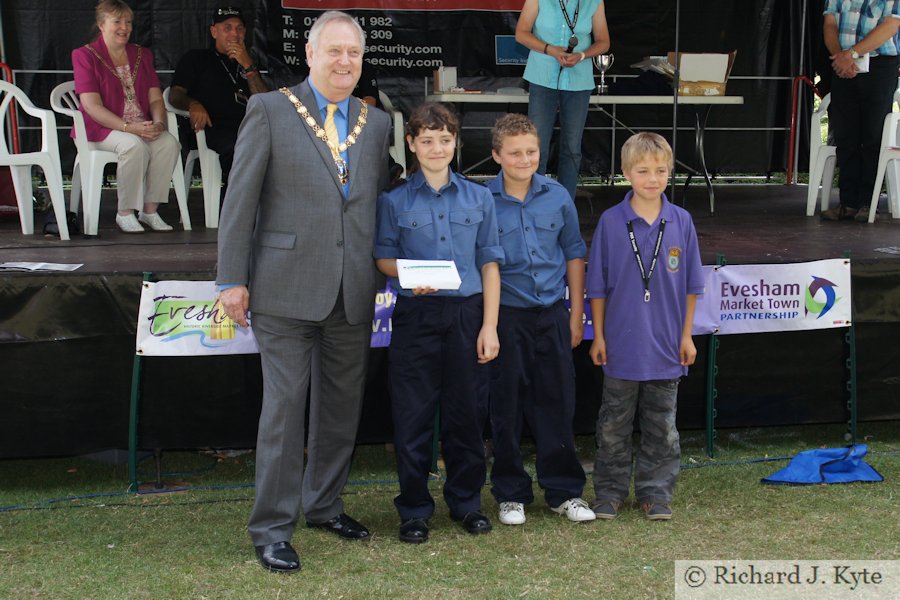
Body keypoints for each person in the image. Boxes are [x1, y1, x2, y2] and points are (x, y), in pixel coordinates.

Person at [216, 11, 392, 573]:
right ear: (311, 54)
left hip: (352, 292)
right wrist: (231, 279)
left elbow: (375, 207)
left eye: (354, 54)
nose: (345, 62)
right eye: (335, 51)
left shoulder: (377, 121)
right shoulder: (269, 109)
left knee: (342, 410)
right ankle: (271, 527)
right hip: (284, 290)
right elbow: (239, 201)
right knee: (285, 413)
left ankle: (325, 506)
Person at [374, 102, 504, 544]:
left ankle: (466, 504)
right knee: (412, 415)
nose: (436, 148)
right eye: (426, 140)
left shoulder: (479, 197)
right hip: (417, 316)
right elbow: (383, 257)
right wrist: (410, 274)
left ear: (456, 143)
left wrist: (490, 326)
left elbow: (489, 264)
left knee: (467, 415)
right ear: (411, 144)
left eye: (444, 139)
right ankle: (413, 509)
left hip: (468, 316)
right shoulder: (393, 201)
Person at [586, 132, 704, 522]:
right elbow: (597, 286)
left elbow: (691, 285)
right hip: (620, 346)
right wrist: (599, 335)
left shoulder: (681, 221)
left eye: (660, 171)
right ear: (625, 173)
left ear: (669, 172)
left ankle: (656, 492)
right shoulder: (611, 221)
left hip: (667, 347)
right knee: (613, 427)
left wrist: (686, 335)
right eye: (643, 171)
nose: (652, 178)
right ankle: (610, 492)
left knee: (662, 428)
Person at [486, 114, 595, 526]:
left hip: (551, 314)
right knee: (506, 406)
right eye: (514, 152)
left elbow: (573, 253)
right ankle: (511, 493)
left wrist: (576, 313)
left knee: (557, 403)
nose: (524, 159)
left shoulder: (557, 195)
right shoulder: (482, 202)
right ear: (497, 155)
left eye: (531, 151)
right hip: (506, 317)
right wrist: (490, 324)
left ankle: (564, 492)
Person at [71, 0, 180, 233]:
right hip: (101, 129)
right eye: (117, 21)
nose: (124, 27)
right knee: (133, 145)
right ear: (101, 25)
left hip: (141, 125)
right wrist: (130, 128)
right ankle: (126, 212)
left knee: (169, 143)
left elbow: (155, 98)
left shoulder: (142, 54)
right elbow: (91, 107)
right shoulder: (84, 55)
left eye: (128, 22)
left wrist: (159, 123)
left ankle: (150, 211)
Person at [515, 0, 610, 200]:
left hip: (579, 79)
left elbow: (603, 41)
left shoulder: (593, 2)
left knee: (572, 148)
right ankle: (534, 203)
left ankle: (565, 205)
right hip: (542, 77)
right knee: (536, 146)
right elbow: (521, 33)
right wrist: (550, 49)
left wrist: (582, 55)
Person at [821, 1, 900, 221]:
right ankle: (848, 203)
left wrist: (852, 53)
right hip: (842, 65)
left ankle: (868, 203)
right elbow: (829, 25)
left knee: (873, 135)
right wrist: (841, 57)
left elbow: (891, 26)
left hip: (880, 65)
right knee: (845, 135)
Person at [169, 5, 270, 177]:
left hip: (247, 129)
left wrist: (248, 66)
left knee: (278, 147)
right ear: (214, 32)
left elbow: (266, 102)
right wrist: (193, 104)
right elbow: (175, 94)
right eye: (227, 28)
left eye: (239, 29)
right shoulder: (196, 59)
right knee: (240, 148)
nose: (234, 34)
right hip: (210, 129)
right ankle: (235, 202)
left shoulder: (249, 64)